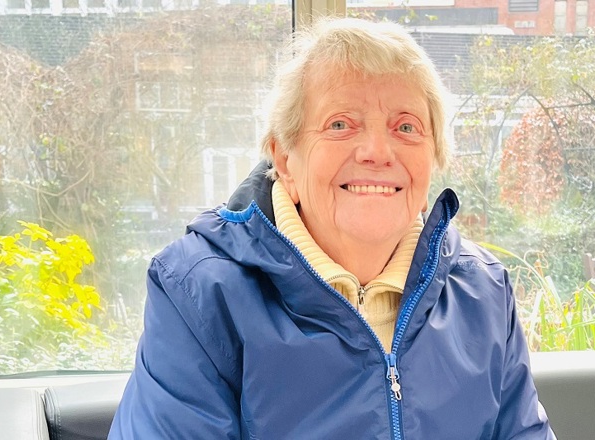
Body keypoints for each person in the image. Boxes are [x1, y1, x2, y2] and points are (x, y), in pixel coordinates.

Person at [109, 17, 556, 439]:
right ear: (285, 159)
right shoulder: (198, 294)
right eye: (341, 124)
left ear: (433, 158)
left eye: (406, 127)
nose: (377, 151)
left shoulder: (484, 291)